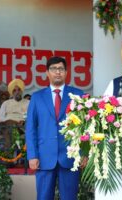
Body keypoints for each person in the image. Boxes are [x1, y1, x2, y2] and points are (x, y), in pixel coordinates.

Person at [26, 56, 85, 200]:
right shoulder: (37, 97)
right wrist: (32, 155)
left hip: (71, 157)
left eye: (61, 69)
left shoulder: (78, 95)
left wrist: (84, 152)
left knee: (70, 197)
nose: (57, 72)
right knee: (44, 197)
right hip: (44, 158)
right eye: (53, 69)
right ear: (47, 73)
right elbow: (31, 128)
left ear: (66, 72)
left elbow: (85, 127)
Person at [0, 79, 29, 149]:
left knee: (8, 132)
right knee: (9, 126)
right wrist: (10, 121)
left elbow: (30, 117)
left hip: (21, 127)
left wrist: (24, 122)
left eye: (19, 90)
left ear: (22, 91)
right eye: (14, 90)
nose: (17, 92)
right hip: (6, 124)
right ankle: (15, 152)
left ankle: (8, 155)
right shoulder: (6, 103)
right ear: (12, 93)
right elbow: (0, 118)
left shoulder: (28, 103)